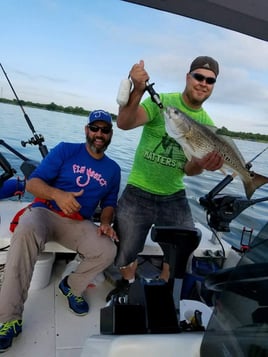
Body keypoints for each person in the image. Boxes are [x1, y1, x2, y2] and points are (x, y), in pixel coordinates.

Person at [0, 109, 121, 352]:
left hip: (77, 223)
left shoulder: (114, 170)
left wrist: (106, 223)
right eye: (94, 128)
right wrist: (59, 195)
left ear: (110, 134)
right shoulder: (66, 149)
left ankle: (71, 287)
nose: (99, 133)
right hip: (45, 212)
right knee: (24, 232)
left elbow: (109, 204)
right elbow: (34, 183)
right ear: (87, 130)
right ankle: (9, 320)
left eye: (104, 130)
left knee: (107, 250)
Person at [106, 56, 224, 301]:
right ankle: (128, 283)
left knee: (182, 246)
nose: (203, 83)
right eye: (199, 77)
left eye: (210, 80)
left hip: (173, 193)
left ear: (213, 85)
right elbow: (125, 123)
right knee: (126, 246)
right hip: (139, 188)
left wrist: (200, 164)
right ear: (188, 77)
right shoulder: (164, 103)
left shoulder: (208, 125)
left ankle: (165, 284)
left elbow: (190, 171)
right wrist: (138, 90)